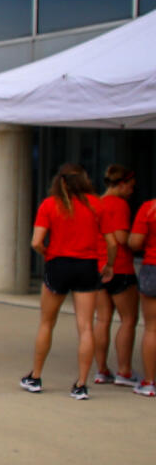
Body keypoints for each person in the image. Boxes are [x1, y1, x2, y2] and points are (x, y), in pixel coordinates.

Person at [23, 163, 116, 399]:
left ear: (60, 181)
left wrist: (48, 253)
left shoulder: (50, 204)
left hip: (58, 264)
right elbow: (112, 242)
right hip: (87, 265)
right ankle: (81, 384)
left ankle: (35, 376)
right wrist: (110, 264)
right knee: (85, 326)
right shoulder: (97, 204)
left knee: (47, 322)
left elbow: (36, 242)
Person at [92, 164, 138, 387]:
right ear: (120, 185)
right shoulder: (119, 205)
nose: (132, 190)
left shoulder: (96, 203)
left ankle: (101, 369)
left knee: (102, 320)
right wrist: (140, 239)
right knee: (129, 319)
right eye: (130, 186)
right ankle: (124, 370)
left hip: (98, 266)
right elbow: (121, 237)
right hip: (119, 267)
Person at [129, 196, 156, 396]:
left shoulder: (149, 208)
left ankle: (149, 382)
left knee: (151, 329)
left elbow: (135, 242)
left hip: (153, 267)